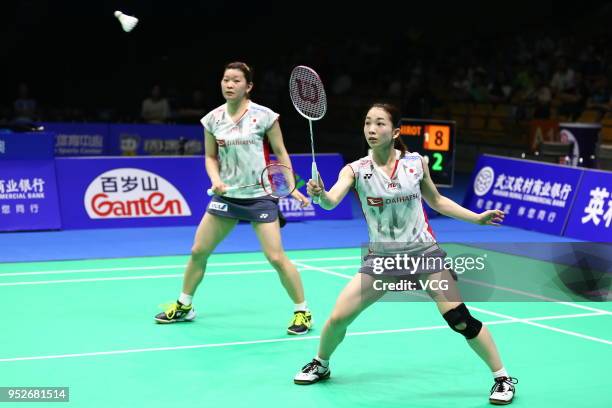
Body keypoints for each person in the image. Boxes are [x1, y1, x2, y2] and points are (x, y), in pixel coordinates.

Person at [293, 103, 518, 404]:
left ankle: (502, 378)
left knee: (459, 319)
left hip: (424, 254)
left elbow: (437, 201)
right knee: (337, 319)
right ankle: (321, 364)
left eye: (380, 124)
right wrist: (319, 195)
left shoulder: (415, 164)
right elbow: (332, 201)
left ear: (395, 131)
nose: (372, 129)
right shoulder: (356, 170)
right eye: (367, 123)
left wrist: (476, 217)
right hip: (382, 260)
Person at [155, 62, 314, 335]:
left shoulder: (265, 117)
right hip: (228, 197)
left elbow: (281, 152)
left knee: (276, 257)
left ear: (248, 86)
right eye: (226, 80)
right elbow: (209, 157)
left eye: (236, 81)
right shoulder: (212, 119)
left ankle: (302, 311)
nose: (229, 85)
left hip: (260, 197)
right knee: (198, 251)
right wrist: (215, 180)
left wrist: (290, 186)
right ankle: (185, 305)